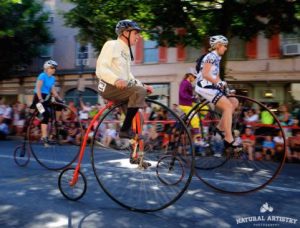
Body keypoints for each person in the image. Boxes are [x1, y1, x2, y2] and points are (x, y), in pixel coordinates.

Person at [95, 19, 153, 166]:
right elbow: (101, 69)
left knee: (138, 119)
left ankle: (136, 156)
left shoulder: (126, 52)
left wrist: (142, 85)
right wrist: (116, 80)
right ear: (125, 33)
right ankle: (125, 130)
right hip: (108, 86)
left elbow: (129, 78)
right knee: (138, 93)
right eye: (136, 33)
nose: (138, 36)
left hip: (121, 89)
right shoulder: (112, 45)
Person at [195, 35, 239, 150]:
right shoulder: (210, 56)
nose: (226, 48)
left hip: (212, 86)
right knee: (228, 106)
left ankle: (219, 127)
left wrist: (222, 84)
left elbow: (217, 76)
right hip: (204, 86)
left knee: (234, 101)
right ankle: (228, 138)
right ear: (218, 45)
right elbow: (205, 74)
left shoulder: (217, 59)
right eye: (224, 46)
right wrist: (217, 83)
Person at [30, 60, 63, 146]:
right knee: (46, 114)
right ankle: (44, 137)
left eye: (54, 68)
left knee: (60, 105)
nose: (53, 69)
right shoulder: (42, 75)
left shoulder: (52, 78)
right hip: (38, 98)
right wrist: (40, 99)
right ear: (47, 68)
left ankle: (56, 121)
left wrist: (60, 99)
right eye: (52, 68)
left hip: (47, 98)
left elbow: (53, 91)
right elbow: (38, 88)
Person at [179, 69, 208, 147]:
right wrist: (192, 97)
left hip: (190, 103)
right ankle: (197, 139)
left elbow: (192, 93)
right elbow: (182, 94)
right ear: (190, 75)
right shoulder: (184, 83)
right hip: (185, 105)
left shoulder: (188, 84)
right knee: (195, 120)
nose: (194, 78)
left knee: (205, 108)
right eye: (194, 77)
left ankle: (199, 120)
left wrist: (196, 97)